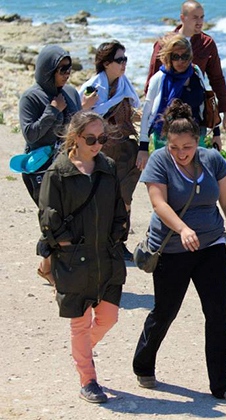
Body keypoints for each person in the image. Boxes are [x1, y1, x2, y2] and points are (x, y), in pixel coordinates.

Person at [132, 99, 226, 402]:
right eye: (175, 147)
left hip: (210, 245)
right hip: (172, 248)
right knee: (165, 311)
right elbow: (159, 203)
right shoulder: (160, 161)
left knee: (217, 313)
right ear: (166, 143)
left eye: (187, 147)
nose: (181, 154)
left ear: (197, 142)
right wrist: (183, 229)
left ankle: (221, 384)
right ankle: (143, 363)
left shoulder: (212, 160)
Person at [38, 111, 128, 403]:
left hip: (106, 258)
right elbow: (49, 217)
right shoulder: (58, 172)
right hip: (73, 261)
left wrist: (118, 234)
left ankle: (81, 352)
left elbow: (118, 207)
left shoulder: (108, 167)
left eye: (102, 138)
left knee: (108, 318)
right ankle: (88, 379)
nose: (98, 144)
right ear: (75, 137)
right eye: (91, 138)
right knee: (79, 323)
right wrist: (67, 245)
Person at [18, 45, 82, 286]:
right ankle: (54, 270)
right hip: (40, 170)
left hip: (69, 166)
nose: (67, 73)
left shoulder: (72, 93)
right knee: (54, 219)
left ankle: (46, 266)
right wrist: (52, 110)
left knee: (70, 218)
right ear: (47, 71)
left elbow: (77, 126)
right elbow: (31, 134)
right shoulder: (31, 97)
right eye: (62, 69)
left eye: (70, 68)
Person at [79, 40, 141, 260]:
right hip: (102, 152)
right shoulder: (93, 88)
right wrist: (86, 108)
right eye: (119, 60)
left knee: (125, 198)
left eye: (125, 59)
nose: (124, 64)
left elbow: (135, 110)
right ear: (105, 63)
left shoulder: (125, 85)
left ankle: (119, 242)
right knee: (101, 199)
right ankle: (100, 243)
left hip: (126, 149)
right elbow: (79, 119)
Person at [144, 0, 226, 136]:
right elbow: (153, 78)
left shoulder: (207, 43)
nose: (199, 21)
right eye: (195, 17)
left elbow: (217, 79)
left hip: (195, 111)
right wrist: (149, 115)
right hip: (168, 113)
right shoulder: (165, 43)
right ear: (183, 18)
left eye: (202, 17)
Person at [138, 33, 217, 170]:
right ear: (169, 58)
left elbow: (208, 103)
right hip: (166, 140)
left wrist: (217, 133)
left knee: (196, 179)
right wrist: (143, 147)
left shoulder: (196, 73)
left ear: (190, 56)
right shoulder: (159, 79)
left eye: (185, 56)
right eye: (176, 57)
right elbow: (147, 112)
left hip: (195, 137)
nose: (181, 61)